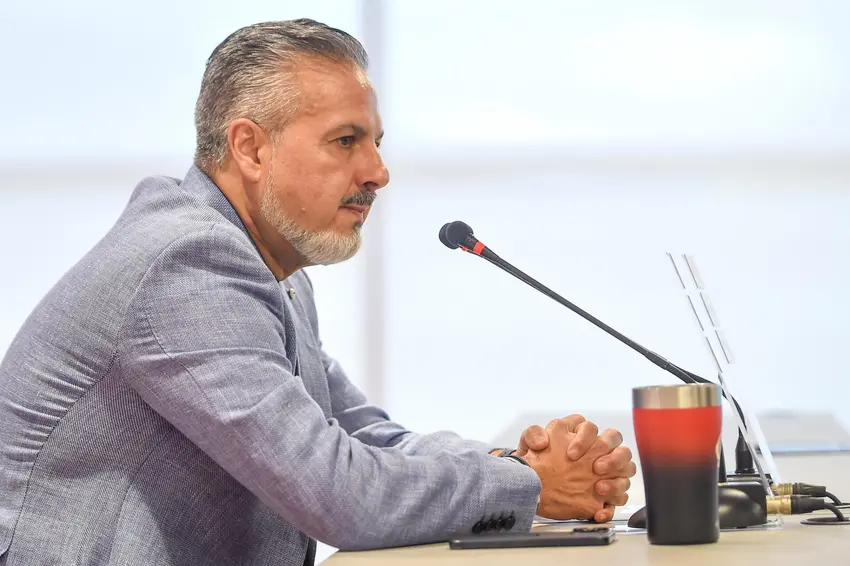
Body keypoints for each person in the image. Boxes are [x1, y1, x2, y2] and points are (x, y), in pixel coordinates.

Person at [0, 18, 636, 566]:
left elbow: (364, 438)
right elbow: (337, 494)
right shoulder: (187, 265)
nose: (378, 173)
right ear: (250, 147)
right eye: (345, 141)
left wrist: (519, 466)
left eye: (376, 141)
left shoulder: (272, 267)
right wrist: (529, 484)